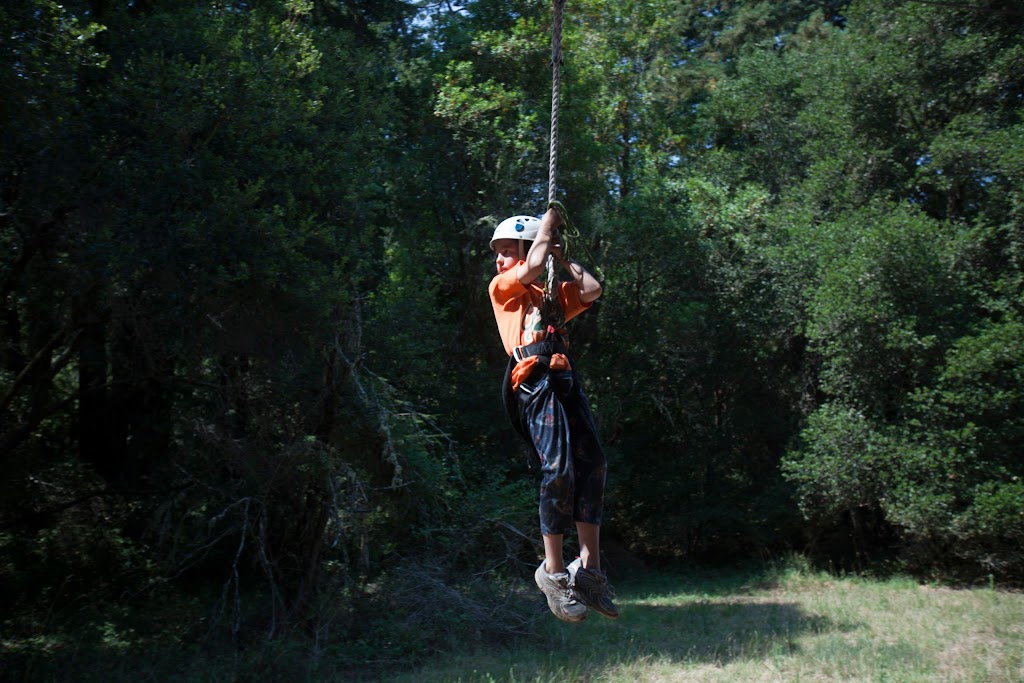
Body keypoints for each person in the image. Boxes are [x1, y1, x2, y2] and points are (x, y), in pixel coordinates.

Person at [487, 206, 618, 623]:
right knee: (558, 467)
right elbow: (532, 265)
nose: (498, 259)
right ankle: (554, 571)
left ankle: (590, 569)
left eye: (506, 251)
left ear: (524, 249)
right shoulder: (502, 288)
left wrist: (563, 256)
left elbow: (593, 289)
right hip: (532, 381)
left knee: (593, 462)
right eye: (499, 253)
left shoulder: (550, 296)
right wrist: (547, 227)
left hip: (563, 379)